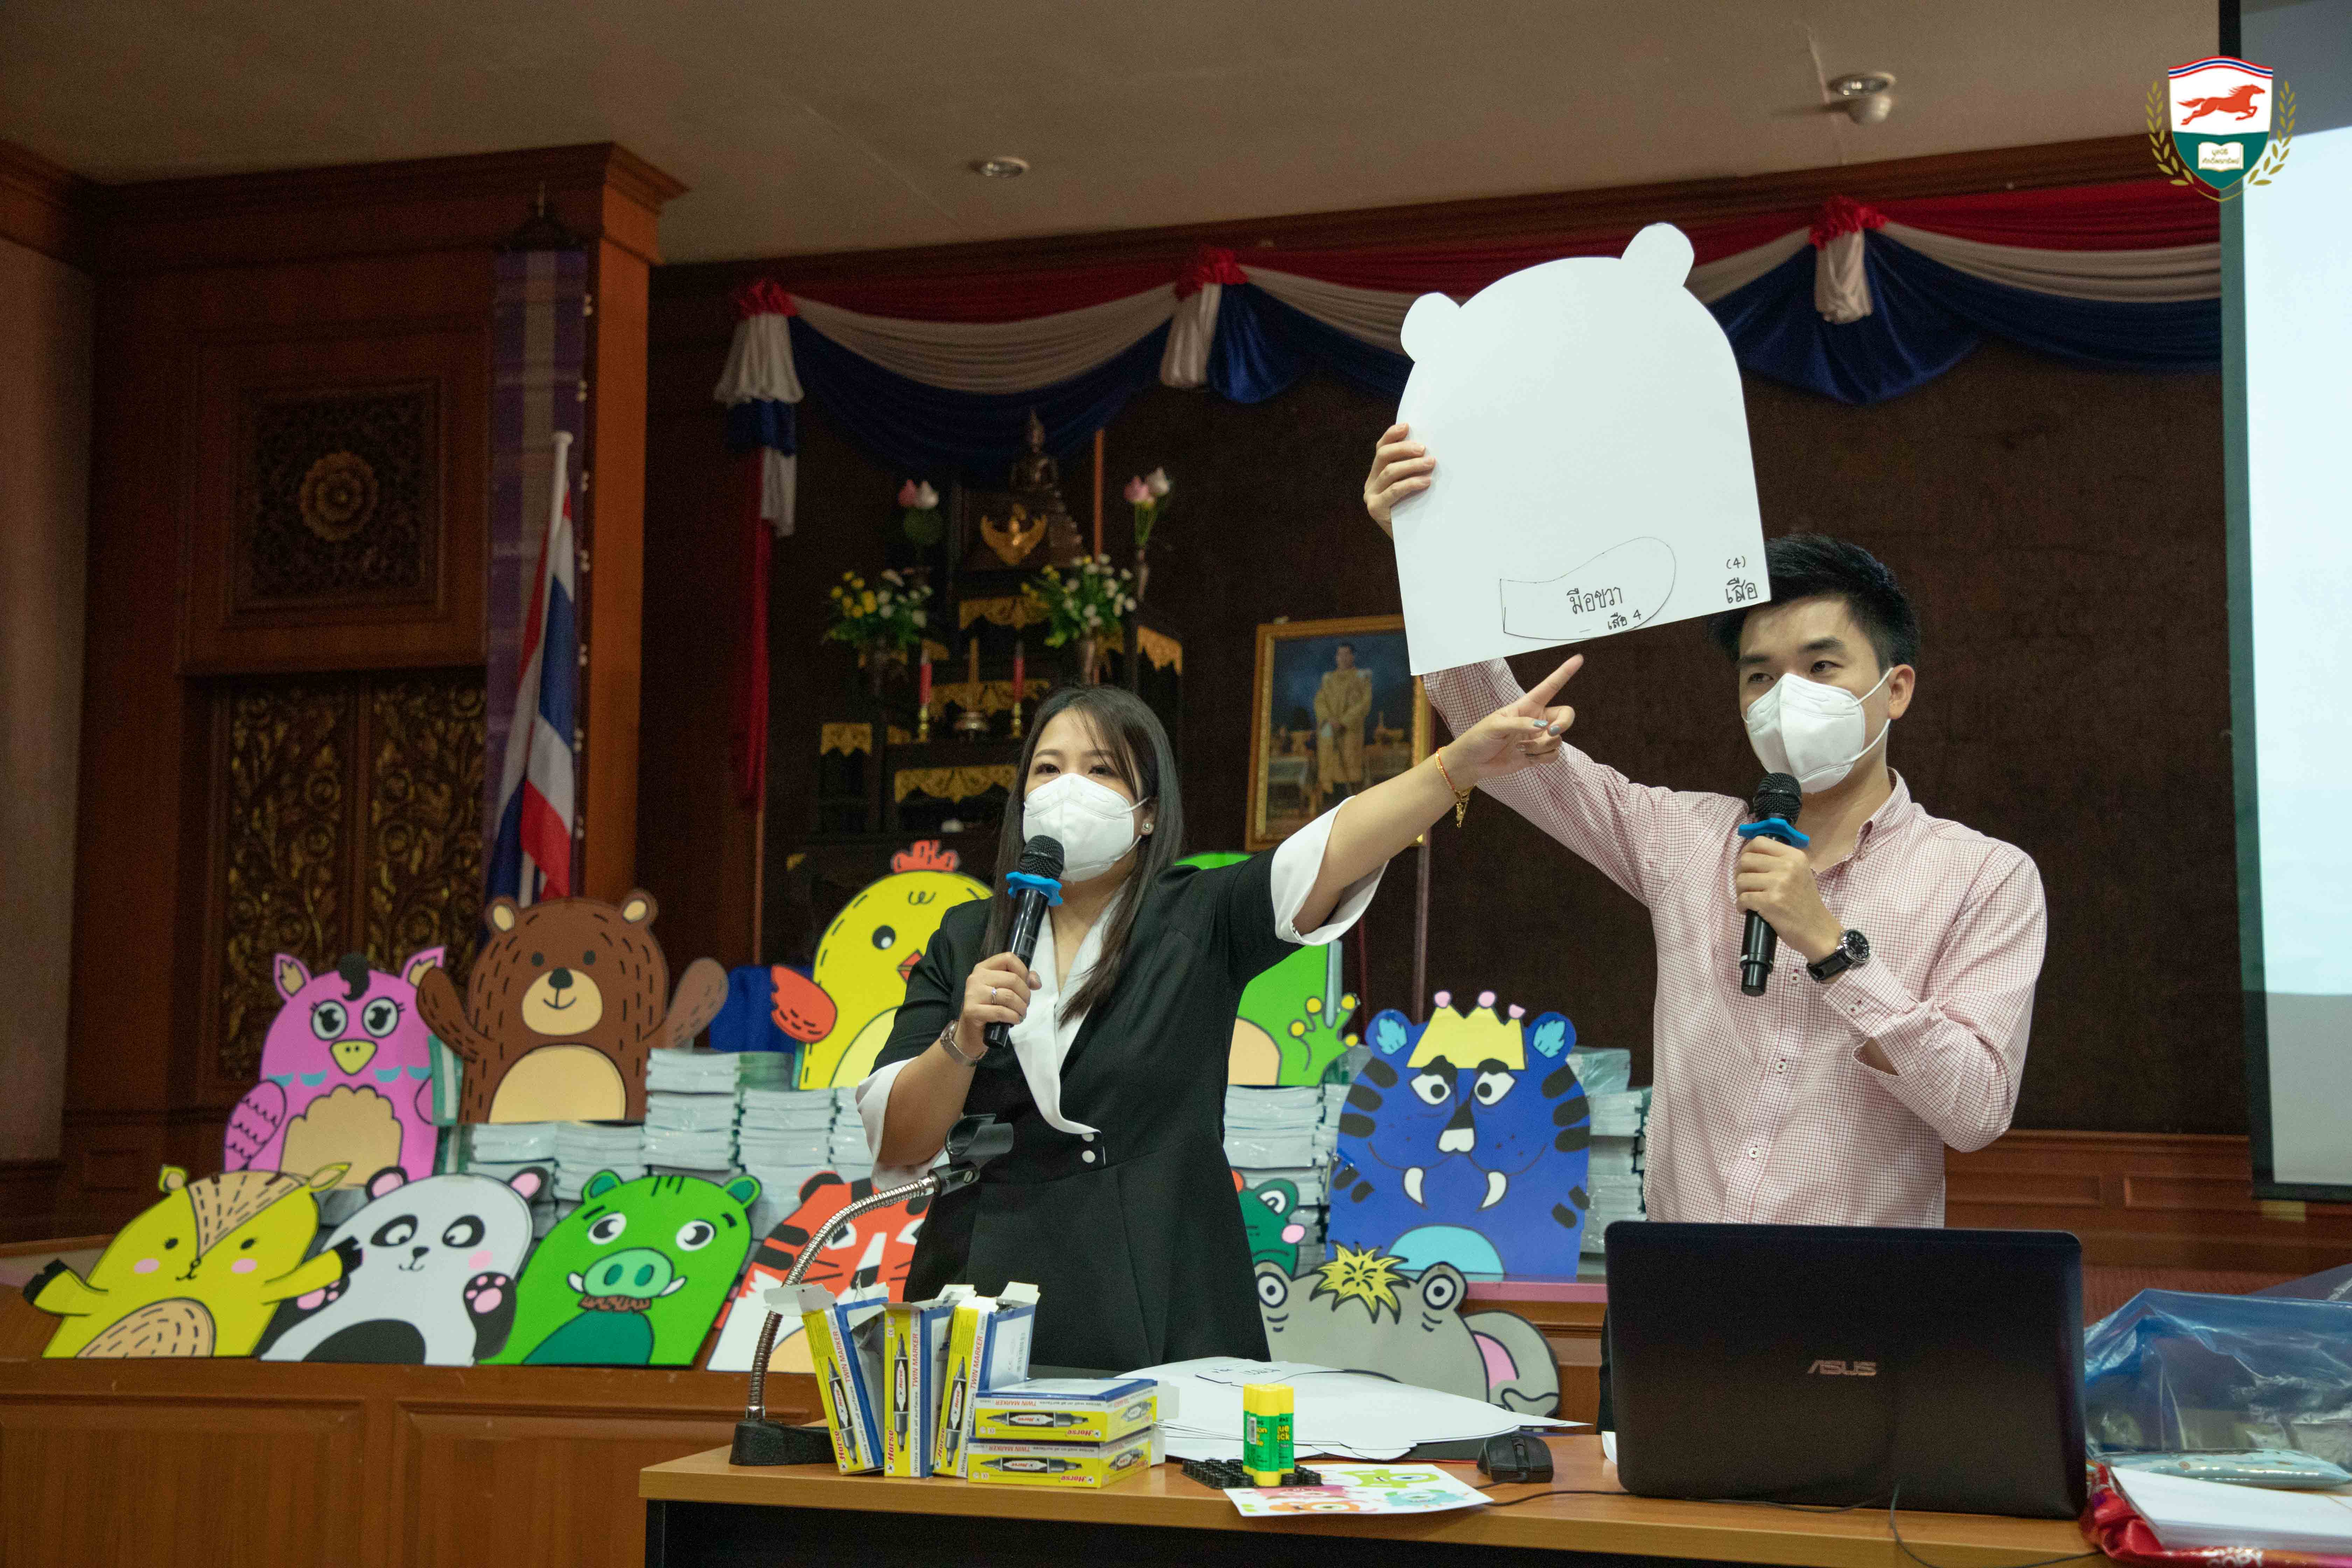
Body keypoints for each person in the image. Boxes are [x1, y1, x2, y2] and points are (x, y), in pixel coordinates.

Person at [1363, 422, 2046, 1229]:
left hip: (1858, 1292)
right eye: (1760, 676)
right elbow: (1509, 751)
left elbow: (1977, 1110)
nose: (1786, 697)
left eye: (1822, 667)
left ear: (1895, 689)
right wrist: (1428, 554)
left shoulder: (1985, 876)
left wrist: (1831, 947)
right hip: (1679, 1279)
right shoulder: (1686, 839)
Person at [858, 680, 1574, 1370]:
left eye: (1100, 769)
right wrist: (961, 1040)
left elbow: (1331, 848)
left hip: (1162, 1281)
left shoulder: (1200, 915)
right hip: (982, 1285)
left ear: (1147, 811)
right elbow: (899, 1140)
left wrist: (1455, 767)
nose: (1067, 789)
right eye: (1047, 769)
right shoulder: (965, 938)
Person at [1313, 642, 1373, 808]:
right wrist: (1329, 719)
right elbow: (1320, 702)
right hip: (1329, 732)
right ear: (1336, 657)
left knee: (1350, 773)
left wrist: (1343, 721)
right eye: (1340, 655)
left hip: (1350, 732)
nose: (1343, 658)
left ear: (1353, 657)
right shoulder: (1328, 679)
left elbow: (1364, 704)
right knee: (1329, 773)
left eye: (1347, 654)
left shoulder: (1361, 678)